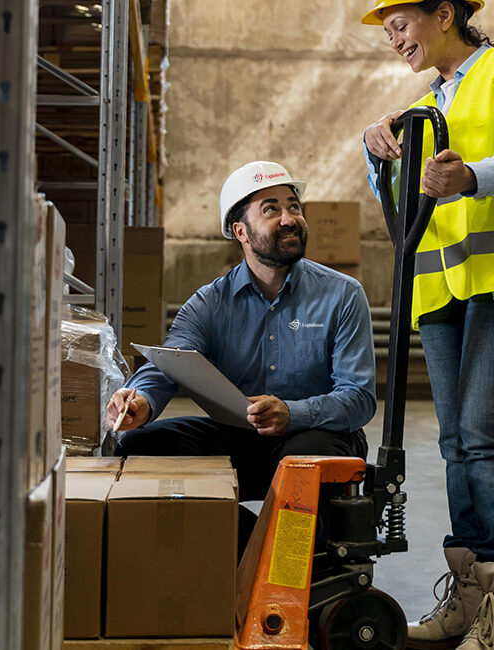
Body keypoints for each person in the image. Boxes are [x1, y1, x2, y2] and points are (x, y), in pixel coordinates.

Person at [361, 1, 494, 649]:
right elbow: (407, 200)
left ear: (444, 13)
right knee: (454, 441)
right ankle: (469, 596)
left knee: (483, 433)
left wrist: (471, 175)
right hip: (445, 286)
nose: (395, 40)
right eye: (388, 31)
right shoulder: (426, 103)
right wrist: (377, 156)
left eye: (402, 24)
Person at [106, 160, 376, 553]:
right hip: (240, 438)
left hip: (317, 437)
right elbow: (169, 364)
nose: (290, 218)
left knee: (301, 460)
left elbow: (359, 398)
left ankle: (294, 565)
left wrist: (291, 413)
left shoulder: (342, 295)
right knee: (136, 448)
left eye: (294, 206)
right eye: (271, 209)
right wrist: (140, 401)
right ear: (240, 231)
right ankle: (250, 550)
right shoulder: (209, 303)